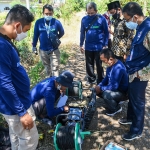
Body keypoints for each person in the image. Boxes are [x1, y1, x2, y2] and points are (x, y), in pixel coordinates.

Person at [0, 5, 38, 150]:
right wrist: (22, 113)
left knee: (16, 137)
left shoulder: (5, 41)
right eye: (26, 30)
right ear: (17, 25)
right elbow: (3, 83)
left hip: (16, 105)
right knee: (29, 141)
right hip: (17, 108)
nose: (26, 34)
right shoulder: (2, 46)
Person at [118, 2, 150, 141]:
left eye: (127, 19)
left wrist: (144, 70)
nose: (126, 22)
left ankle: (137, 130)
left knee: (138, 102)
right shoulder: (141, 27)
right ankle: (131, 118)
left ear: (135, 17)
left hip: (140, 73)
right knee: (132, 97)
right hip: (133, 71)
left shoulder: (148, 29)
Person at [80, 2, 109, 86]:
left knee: (99, 64)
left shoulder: (101, 19)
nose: (90, 15)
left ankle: (100, 80)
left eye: (92, 13)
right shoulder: (84, 19)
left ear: (96, 11)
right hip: (88, 46)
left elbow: (106, 32)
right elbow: (82, 33)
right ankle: (91, 79)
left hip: (99, 46)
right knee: (89, 64)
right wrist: (81, 44)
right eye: (88, 13)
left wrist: (105, 44)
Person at [32, 4, 64, 77]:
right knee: (47, 68)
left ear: (52, 13)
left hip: (54, 50)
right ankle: (50, 84)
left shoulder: (56, 22)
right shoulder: (38, 23)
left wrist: (56, 38)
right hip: (43, 50)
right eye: (46, 14)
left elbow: (62, 32)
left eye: (50, 14)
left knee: (55, 69)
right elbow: (35, 35)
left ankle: (56, 85)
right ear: (43, 13)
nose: (48, 15)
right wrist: (34, 46)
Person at [95, 48, 128, 116]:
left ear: (111, 59)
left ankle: (115, 108)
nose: (103, 63)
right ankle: (114, 102)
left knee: (106, 94)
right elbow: (106, 78)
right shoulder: (110, 66)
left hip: (122, 92)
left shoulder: (118, 68)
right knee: (96, 89)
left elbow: (113, 86)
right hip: (115, 88)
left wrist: (101, 88)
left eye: (104, 61)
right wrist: (99, 86)